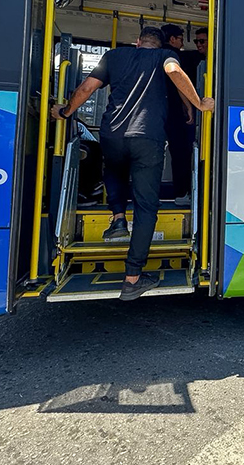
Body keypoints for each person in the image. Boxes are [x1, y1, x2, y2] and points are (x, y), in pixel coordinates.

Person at [52, 26, 214, 301]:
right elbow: (175, 72)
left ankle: (117, 219)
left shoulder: (114, 56)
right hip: (147, 139)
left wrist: (66, 112)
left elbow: (87, 88)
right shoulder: (164, 57)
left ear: (137, 42)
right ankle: (132, 277)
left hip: (112, 134)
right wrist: (199, 103)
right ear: (160, 44)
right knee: (146, 207)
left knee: (112, 170)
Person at [160, 23, 195, 206]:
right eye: (181, 39)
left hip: (154, 112)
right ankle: (181, 193)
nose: (182, 43)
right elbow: (177, 81)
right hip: (172, 111)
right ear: (172, 39)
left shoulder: (151, 56)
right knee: (180, 153)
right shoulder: (172, 56)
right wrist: (189, 105)